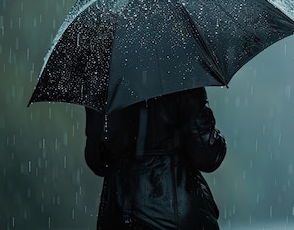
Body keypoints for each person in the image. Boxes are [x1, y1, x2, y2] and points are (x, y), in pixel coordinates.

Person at [84, 87, 226, 230]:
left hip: (120, 213)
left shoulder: (104, 84)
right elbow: (207, 156)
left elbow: (97, 161)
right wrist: (217, 138)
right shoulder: (181, 78)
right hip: (177, 214)